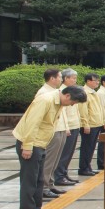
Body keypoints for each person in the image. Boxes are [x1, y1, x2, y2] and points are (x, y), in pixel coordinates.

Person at [13, 85, 87, 209]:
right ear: (67, 96)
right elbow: (31, 123)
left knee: (39, 181)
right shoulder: (45, 100)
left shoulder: (58, 101)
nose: (72, 105)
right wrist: (27, 146)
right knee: (29, 182)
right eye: (73, 102)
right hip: (31, 144)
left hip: (40, 143)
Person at [34, 68, 67, 198]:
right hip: (51, 131)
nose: (61, 79)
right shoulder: (43, 93)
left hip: (60, 128)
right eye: (59, 77)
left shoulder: (56, 92)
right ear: (52, 78)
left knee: (55, 160)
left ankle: (50, 184)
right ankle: (44, 187)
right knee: (48, 160)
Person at [52, 68, 81, 188]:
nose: (75, 80)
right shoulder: (62, 92)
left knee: (69, 153)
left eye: (75, 78)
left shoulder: (73, 91)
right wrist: (66, 127)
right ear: (65, 78)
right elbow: (62, 112)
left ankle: (64, 173)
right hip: (67, 126)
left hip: (75, 124)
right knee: (63, 154)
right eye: (73, 78)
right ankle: (59, 176)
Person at [76, 73, 105, 177]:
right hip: (90, 125)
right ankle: (83, 168)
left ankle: (88, 167)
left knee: (92, 147)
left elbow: (100, 109)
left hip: (96, 123)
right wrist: (85, 124)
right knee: (86, 147)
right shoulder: (84, 93)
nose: (97, 82)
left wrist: (103, 121)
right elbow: (83, 110)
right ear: (88, 81)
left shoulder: (94, 92)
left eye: (98, 80)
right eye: (95, 80)